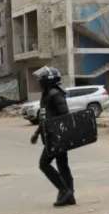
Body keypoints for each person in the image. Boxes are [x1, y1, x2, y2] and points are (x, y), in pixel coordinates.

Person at [30, 66, 76, 206]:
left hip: (56, 137)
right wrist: (37, 133)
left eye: (41, 80)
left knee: (44, 164)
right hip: (51, 136)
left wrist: (62, 136)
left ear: (48, 81)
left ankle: (64, 190)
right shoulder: (47, 94)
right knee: (62, 166)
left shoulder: (55, 94)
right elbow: (45, 117)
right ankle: (70, 196)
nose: (39, 82)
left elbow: (64, 116)